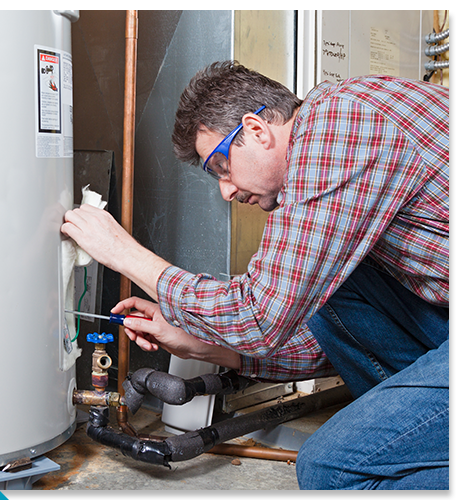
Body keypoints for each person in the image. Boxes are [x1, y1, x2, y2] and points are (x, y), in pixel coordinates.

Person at [61, 61, 449, 489]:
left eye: (220, 168)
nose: (225, 191)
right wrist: (206, 346)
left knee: (334, 470)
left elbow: (259, 316)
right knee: (323, 290)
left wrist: (125, 254)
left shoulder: (343, 125)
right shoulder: (338, 125)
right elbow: (327, 335)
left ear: (257, 130)